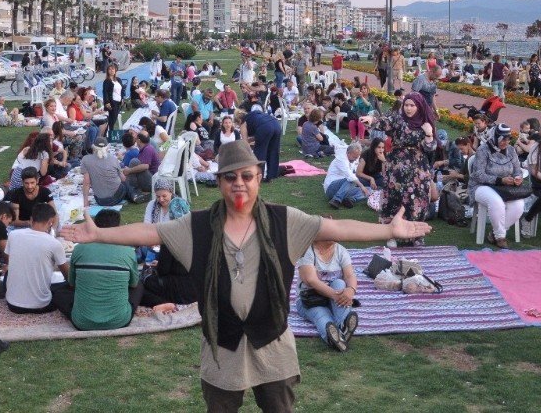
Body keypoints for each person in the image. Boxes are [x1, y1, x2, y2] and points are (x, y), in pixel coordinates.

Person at [59, 140, 432, 412]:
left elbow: (341, 230)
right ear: (220, 182)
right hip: (222, 346)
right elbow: (150, 234)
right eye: (231, 177)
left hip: (273, 343)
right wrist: (101, 234)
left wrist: (388, 232)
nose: (240, 183)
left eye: (247, 176)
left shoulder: (287, 221)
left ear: (258, 179)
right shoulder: (199, 226)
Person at [363, 92, 437, 247]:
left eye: (412, 105)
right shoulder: (398, 119)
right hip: (397, 166)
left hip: (418, 169)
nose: (409, 108)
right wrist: (371, 120)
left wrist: (429, 133)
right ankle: (391, 235)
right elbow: (384, 122)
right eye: (406, 105)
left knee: (417, 199)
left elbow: (430, 148)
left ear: (419, 106)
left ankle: (416, 235)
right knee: (394, 198)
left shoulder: (425, 123)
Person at [53, 208, 141, 329]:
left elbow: (72, 284)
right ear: (117, 227)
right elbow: (134, 285)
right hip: (119, 321)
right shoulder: (128, 252)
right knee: (139, 285)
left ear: (95, 225)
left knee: (59, 293)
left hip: (82, 321)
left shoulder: (79, 249)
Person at [294, 226, 359, 352]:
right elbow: (311, 280)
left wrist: (351, 290)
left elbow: (350, 275)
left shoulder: (340, 251)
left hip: (334, 297)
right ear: (318, 235)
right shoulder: (307, 252)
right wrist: (336, 296)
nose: (335, 233)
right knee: (321, 315)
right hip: (310, 299)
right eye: (330, 231)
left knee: (340, 282)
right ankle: (332, 337)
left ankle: (343, 326)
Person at [469, 123, 527, 249]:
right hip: (481, 186)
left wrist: (518, 178)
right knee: (496, 202)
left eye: (508, 139)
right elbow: (478, 174)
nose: (505, 142)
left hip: (504, 188)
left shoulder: (511, 150)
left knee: (519, 205)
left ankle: (493, 234)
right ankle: (500, 236)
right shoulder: (483, 150)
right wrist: (500, 180)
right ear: (495, 137)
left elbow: (517, 170)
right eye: (502, 139)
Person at [5, 203, 69, 314]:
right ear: (51, 222)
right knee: (66, 287)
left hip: (12, 305)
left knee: (8, 275)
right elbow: (68, 276)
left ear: (31, 219)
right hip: (41, 305)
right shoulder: (54, 243)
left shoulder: (13, 235)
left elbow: (11, 260)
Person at [81, 136, 151, 206]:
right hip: (115, 197)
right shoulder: (113, 159)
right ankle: (134, 195)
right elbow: (123, 178)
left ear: (93, 147)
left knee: (121, 186)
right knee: (125, 184)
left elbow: (86, 182)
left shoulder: (85, 160)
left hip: (100, 200)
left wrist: (85, 201)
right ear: (107, 147)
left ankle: (133, 195)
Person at [238, 107, 282, 182]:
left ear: (238, 121)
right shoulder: (256, 115)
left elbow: (245, 143)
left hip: (265, 127)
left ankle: (258, 175)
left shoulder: (243, 122)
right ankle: (271, 175)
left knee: (260, 153)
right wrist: (250, 140)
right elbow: (262, 133)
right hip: (276, 124)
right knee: (273, 151)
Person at [324, 142, 370, 209]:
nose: (355, 159)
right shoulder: (341, 158)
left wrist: (369, 179)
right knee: (351, 180)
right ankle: (336, 200)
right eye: (354, 157)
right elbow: (350, 176)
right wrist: (361, 185)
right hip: (331, 188)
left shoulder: (353, 160)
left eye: (357, 157)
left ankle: (350, 199)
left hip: (344, 189)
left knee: (369, 190)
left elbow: (357, 172)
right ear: (348, 153)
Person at [102, 63, 123, 135]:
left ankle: (106, 133)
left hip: (118, 102)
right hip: (112, 103)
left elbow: (122, 90)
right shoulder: (107, 81)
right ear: (107, 71)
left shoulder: (119, 80)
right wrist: (107, 102)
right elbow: (105, 92)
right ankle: (110, 134)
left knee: (113, 119)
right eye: (109, 69)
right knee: (112, 120)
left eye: (113, 69)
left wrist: (122, 99)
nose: (111, 71)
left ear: (115, 70)